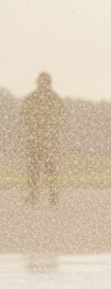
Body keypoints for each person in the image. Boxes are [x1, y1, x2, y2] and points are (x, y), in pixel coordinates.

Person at [20, 72, 65, 204]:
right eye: (41, 81)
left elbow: (61, 117)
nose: (43, 83)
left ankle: (52, 195)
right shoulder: (33, 97)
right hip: (35, 139)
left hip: (48, 140)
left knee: (49, 168)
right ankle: (33, 195)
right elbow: (23, 115)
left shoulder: (53, 98)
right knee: (33, 168)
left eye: (45, 81)